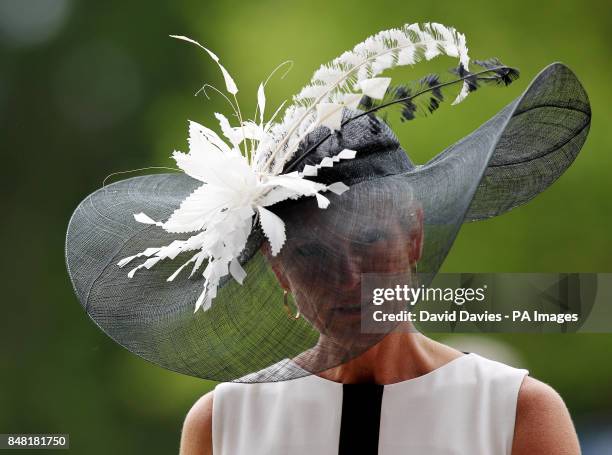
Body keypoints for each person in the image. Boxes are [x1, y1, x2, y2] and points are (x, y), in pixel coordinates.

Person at [64, 23, 591, 455]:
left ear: (412, 237)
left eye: (367, 242)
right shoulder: (224, 423)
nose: (348, 279)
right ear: (279, 272)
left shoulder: (513, 411)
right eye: (311, 256)